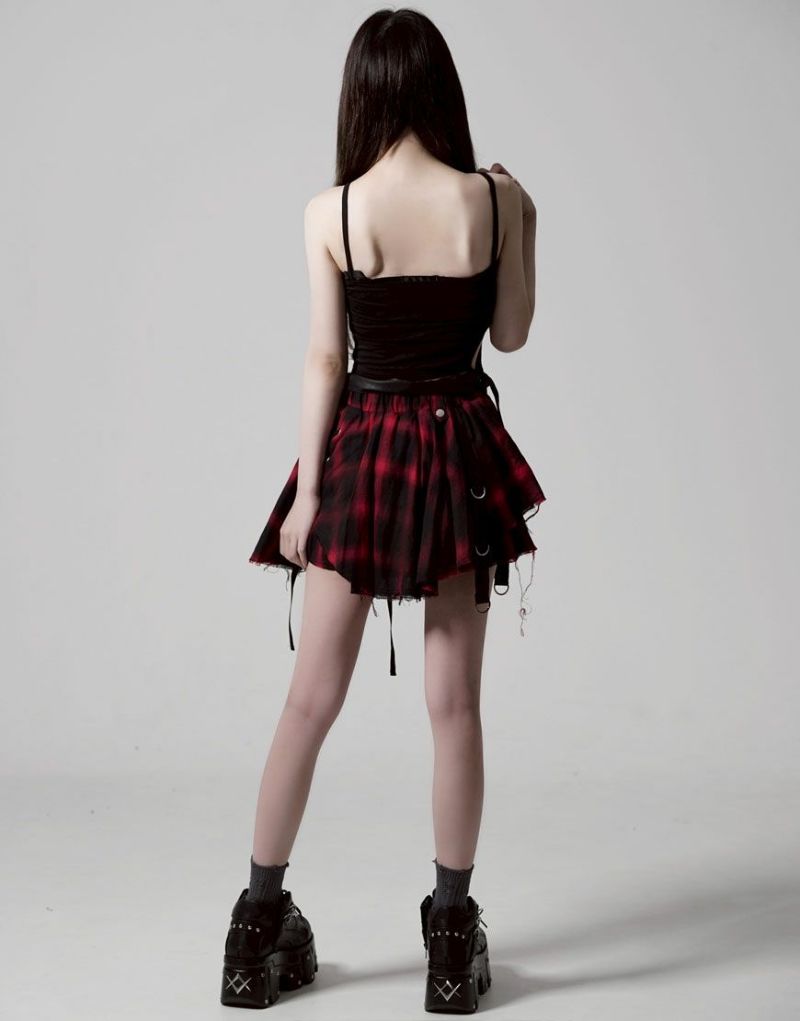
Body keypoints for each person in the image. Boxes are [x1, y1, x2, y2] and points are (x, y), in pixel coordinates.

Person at [221, 7, 546, 1013]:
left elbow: (327, 358)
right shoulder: (493, 199)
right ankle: (450, 942)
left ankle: (253, 932)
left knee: (306, 702)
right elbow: (511, 334)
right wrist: (524, 222)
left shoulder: (332, 210)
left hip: (362, 455)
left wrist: (309, 494)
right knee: (454, 707)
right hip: (454, 456)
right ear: (441, 89)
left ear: (360, 95)